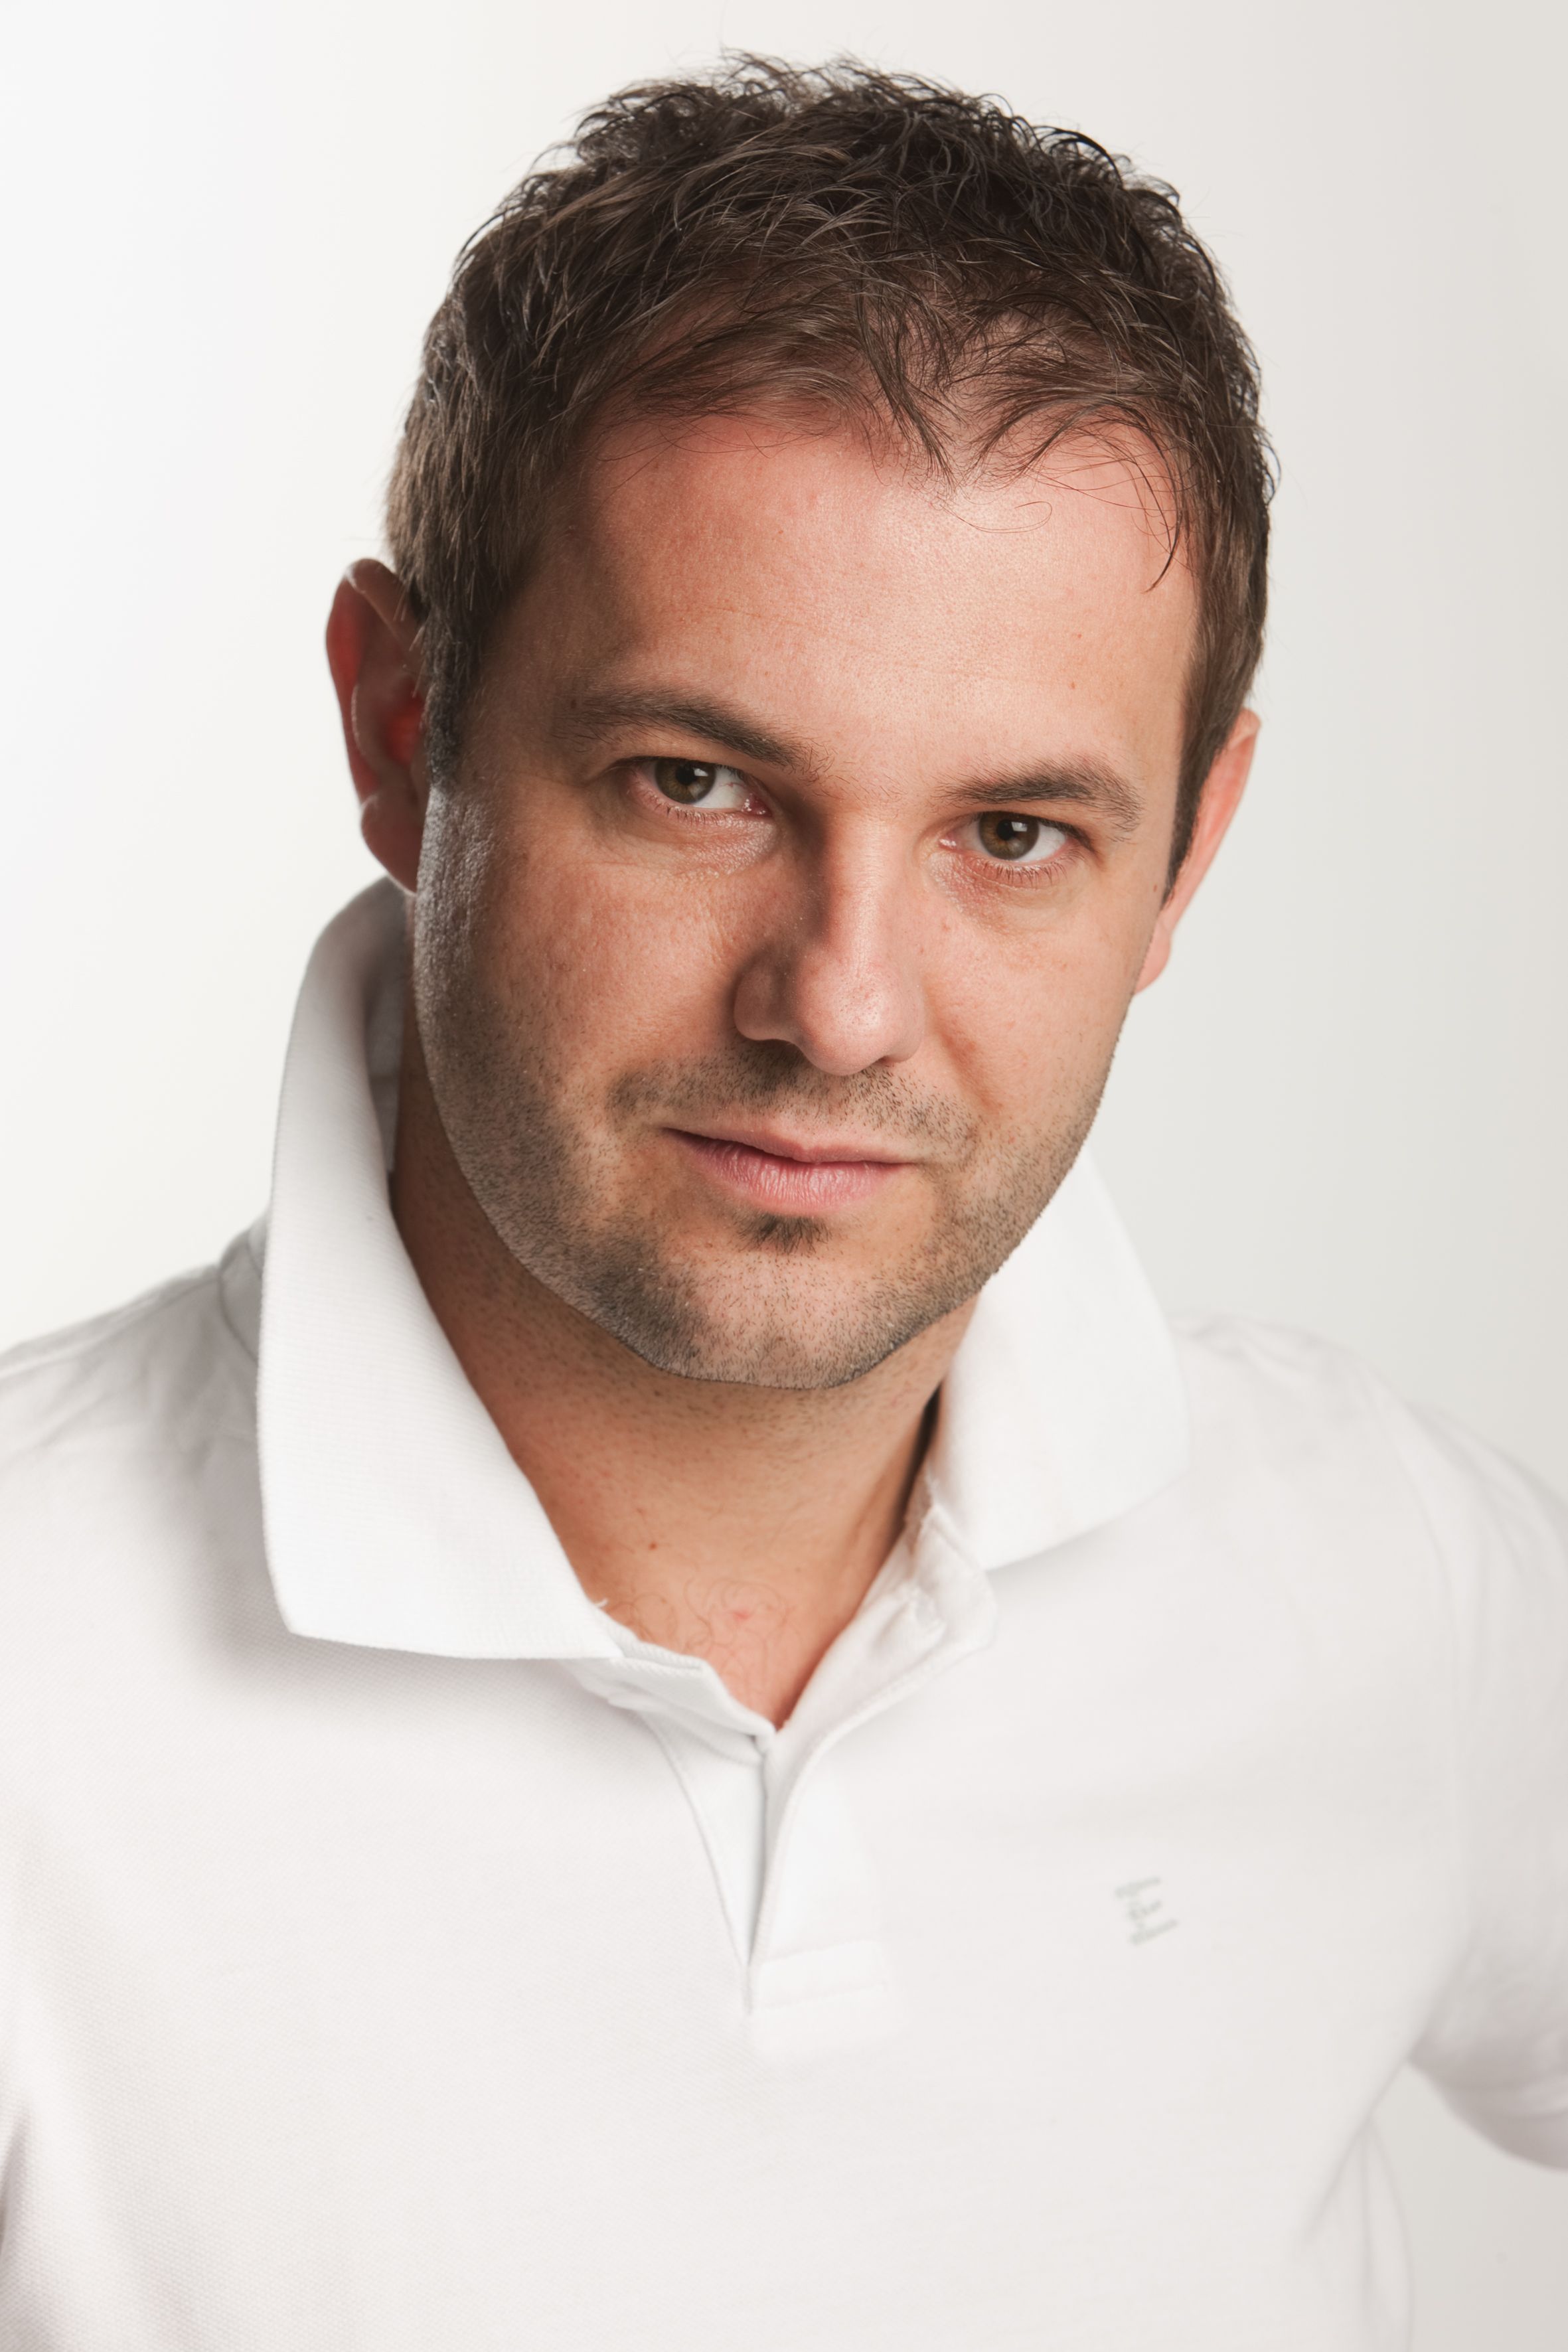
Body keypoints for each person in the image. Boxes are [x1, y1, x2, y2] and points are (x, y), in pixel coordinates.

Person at [0, 54, 1562, 2349]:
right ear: (399, 729)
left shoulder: (1385, 1582)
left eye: (1011, 836)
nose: (839, 1008)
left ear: (1184, 858)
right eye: (696, 784)